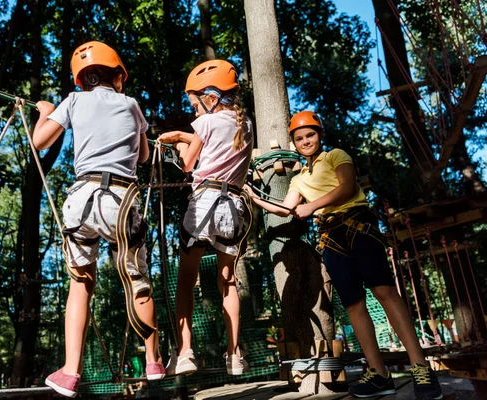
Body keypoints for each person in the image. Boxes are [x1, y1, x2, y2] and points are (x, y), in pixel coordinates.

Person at [245, 111, 443, 399]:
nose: (305, 141)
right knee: (353, 305)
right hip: (331, 238)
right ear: (294, 143)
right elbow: (286, 208)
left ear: (320, 135)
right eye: (299, 138)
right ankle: (379, 374)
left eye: (310, 135)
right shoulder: (299, 180)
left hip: (358, 226)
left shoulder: (336, 155)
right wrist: (256, 198)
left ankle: (421, 368)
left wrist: (312, 207)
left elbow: (347, 187)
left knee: (385, 291)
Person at [33, 41, 164, 398]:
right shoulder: (132, 105)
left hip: (82, 200)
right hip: (122, 201)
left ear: (81, 80)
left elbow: (39, 141)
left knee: (81, 284)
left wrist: (45, 112)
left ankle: (70, 372)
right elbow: (143, 157)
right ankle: (153, 360)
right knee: (137, 279)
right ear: (119, 75)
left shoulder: (73, 101)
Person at [157, 60, 254, 376]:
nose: (193, 108)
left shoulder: (205, 124)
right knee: (227, 281)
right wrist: (186, 135)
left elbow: (187, 163)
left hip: (204, 205)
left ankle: (185, 353)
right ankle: (234, 353)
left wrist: (179, 142)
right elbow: (217, 150)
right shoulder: (246, 125)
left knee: (186, 279)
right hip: (233, 209)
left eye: (194, 102)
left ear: (210, 98)